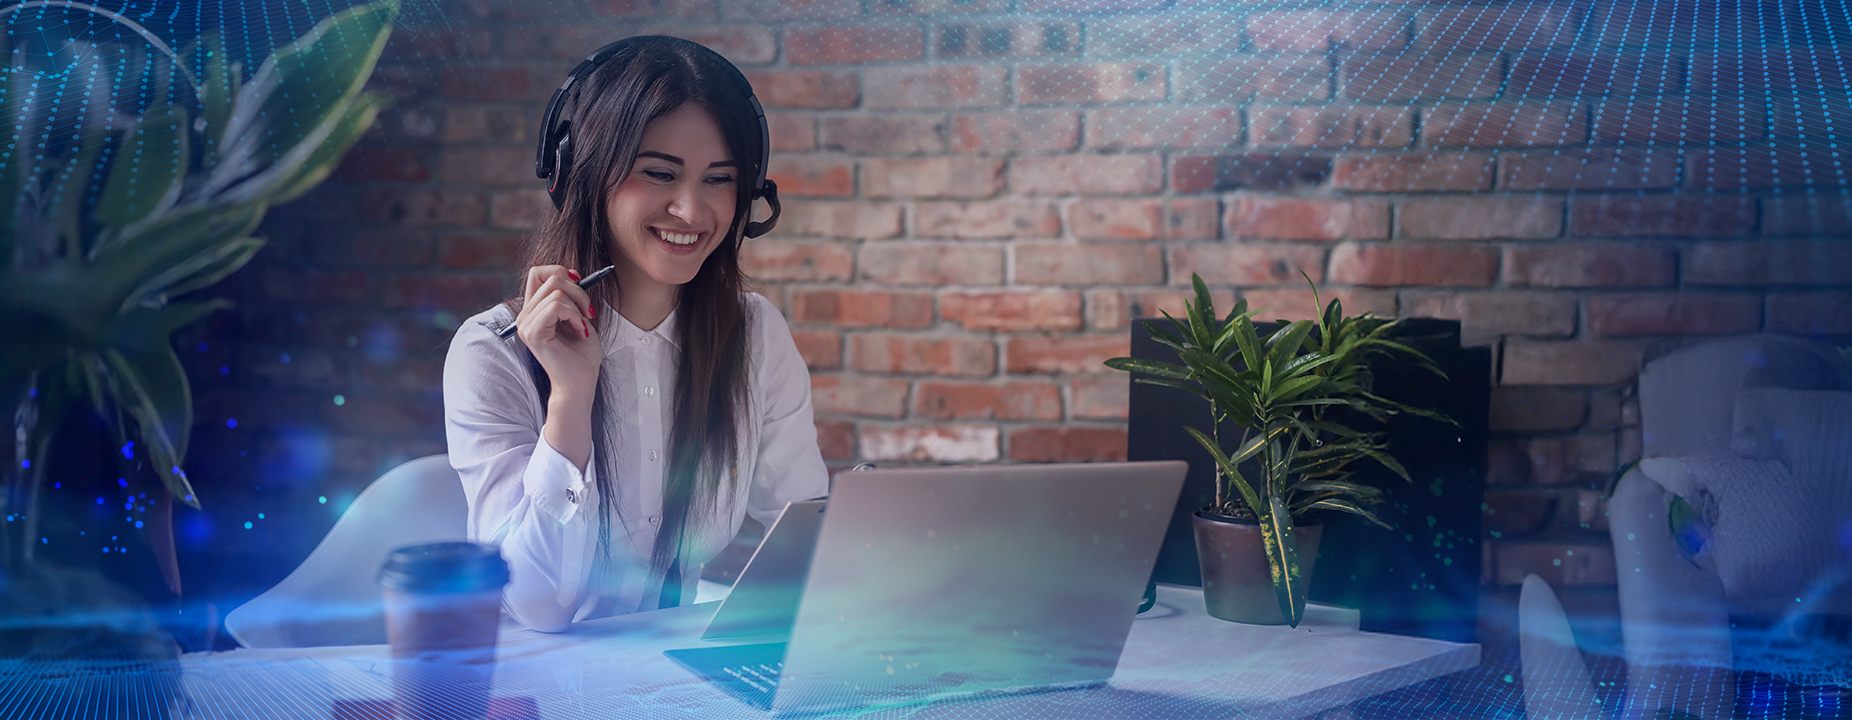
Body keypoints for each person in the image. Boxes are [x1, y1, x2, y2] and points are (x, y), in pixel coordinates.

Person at [442, 36, 827, 633]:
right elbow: (537, 606)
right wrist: (570, 398)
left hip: (673, 675)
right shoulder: (493, 351)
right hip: (523, 683)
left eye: (719, 179)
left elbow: (806, 534)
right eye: (659, 173)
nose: (693, 211)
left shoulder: (754, 335)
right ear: (579, 174)